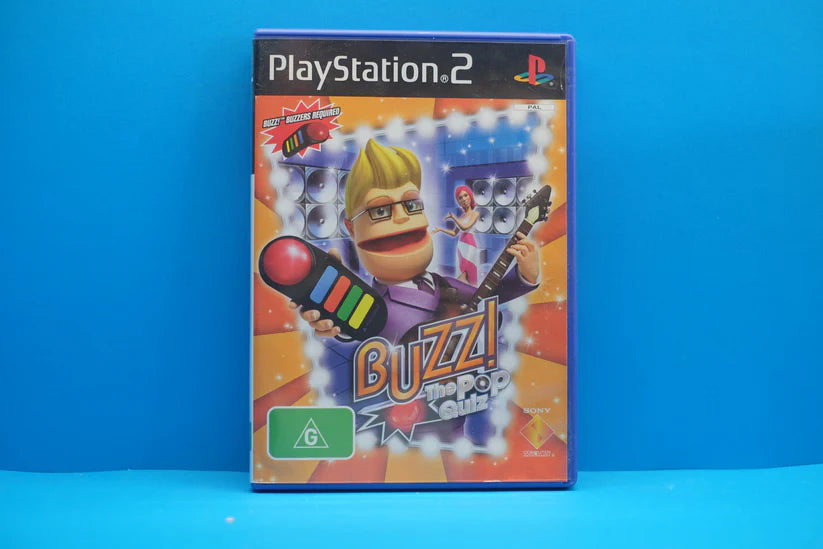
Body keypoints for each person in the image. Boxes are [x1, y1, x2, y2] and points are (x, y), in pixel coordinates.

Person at [287, 139, 540, 442]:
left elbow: (486, 297)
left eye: (411, 204)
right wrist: (333, 309)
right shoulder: (373, 304)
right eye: (381, 210)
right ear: (352, 228)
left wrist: (525, 276)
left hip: (455, 418)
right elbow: (357, 327)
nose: (401, 217)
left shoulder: (442, 284)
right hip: (406, 431)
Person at [431, 185, 480, 285]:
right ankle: (466, 292)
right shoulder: (462, 216)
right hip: (460, 246)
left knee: (466, 274)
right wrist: (440, 229)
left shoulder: (475, 213)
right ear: (458, 202)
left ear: (470, 196)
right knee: (461, 272)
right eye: (460, 198)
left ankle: (470, 291)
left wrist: (453, 218)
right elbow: (454, 233)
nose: (464, 199)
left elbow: (465, 227)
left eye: (465, 195)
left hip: (470, 246)